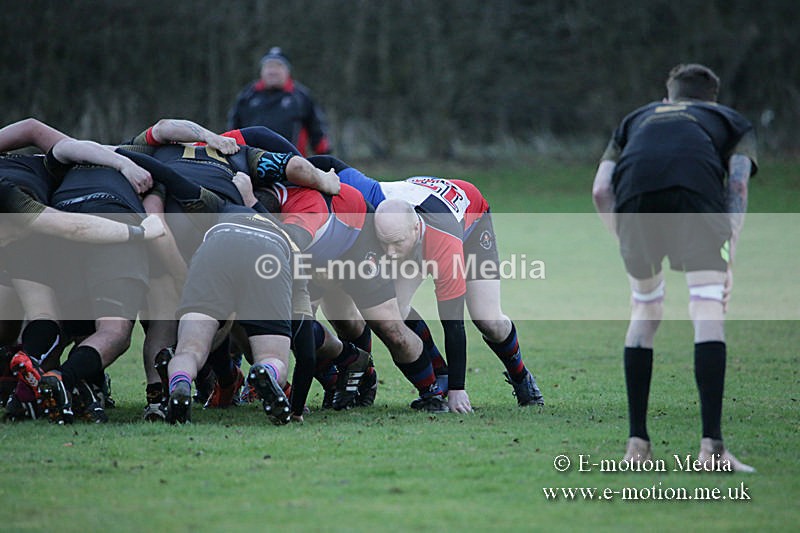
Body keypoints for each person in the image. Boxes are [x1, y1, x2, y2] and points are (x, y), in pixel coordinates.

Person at [591, 63, 758, 472]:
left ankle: (637, 447)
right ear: (710, 99)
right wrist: (729, 253)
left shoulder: (637, 118)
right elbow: (737, 186)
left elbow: (599, 189)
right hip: (696, 199)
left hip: (634, 202)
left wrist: (625, 239)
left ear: (668, 97)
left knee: (645, 309)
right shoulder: (729, 120)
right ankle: (711, 450)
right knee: (706, 309)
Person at [227, 47, 331, 157]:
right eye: (269, 66)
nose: (273, 71)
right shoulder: (247, 96)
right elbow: (233, 130)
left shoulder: (301, 97)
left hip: (291, 163)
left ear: (288, 71)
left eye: (278, 66)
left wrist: (325, 160)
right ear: (262, 70)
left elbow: (318, 134)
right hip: (251, 162)